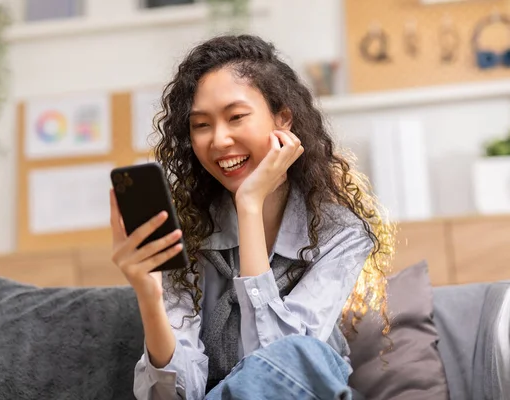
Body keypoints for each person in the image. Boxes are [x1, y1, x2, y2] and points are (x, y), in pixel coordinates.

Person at [109, 34, 394, 400]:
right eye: (201, 125)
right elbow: (172, 395)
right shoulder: (190, 233)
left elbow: (281, 366)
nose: (219, 140)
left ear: (283, 119)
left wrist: (249, 207)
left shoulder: (342, 234)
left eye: (236, 117)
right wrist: (149, 295)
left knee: (306, 354)